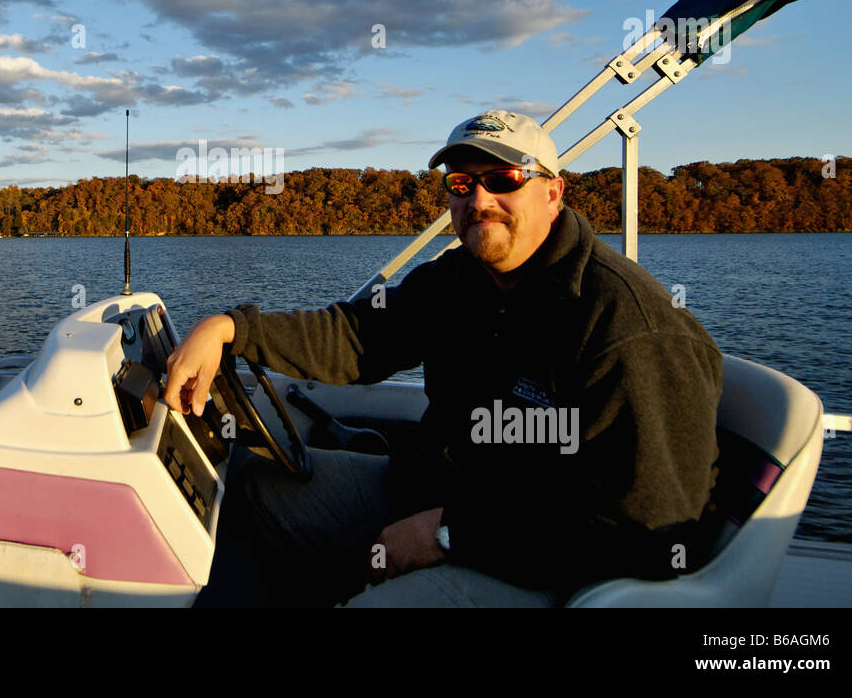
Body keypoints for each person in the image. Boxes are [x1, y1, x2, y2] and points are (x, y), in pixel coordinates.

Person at [164, 109, 723, 606]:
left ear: (553, 192)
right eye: (461, 183)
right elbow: (358, 337)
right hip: (439, 493)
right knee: (249, 487)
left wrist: (451, 534)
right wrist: (230, 327)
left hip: (555, 566)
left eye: (503, 179)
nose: (479, 201)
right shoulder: (460, 279)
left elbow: (648, 528)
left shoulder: (628, 325)